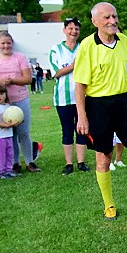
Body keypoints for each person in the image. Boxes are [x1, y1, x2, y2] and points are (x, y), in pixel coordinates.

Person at [73, 1, 127, 220]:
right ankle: (109, 205)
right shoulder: (86, 46)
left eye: (114, 16)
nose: (112, 21)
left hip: (125, 103)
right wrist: (82, 116)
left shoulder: (123, 41)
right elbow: (80, 85)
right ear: (95, 21)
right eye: (106, 18)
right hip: (98, 106)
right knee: (104, 157)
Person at [0, 31, 40, 173]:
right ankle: (15, 162)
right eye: (3, 43)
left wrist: (12, 80)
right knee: (10, 133)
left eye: (8, 43)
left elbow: (27, 79)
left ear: (12, 44)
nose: (6, 46)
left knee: (23, 132)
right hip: (3, 103)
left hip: (20, 98)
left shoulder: (20, 58)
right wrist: (1, 83)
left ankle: (29, 161)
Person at [48, 17, 90, 175]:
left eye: (77, 29)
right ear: (64, 30)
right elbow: (56, 73)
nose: (74, 31)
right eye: (71, 28)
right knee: (67, 130)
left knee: (82, 129)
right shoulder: (56, 50)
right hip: (63, 98)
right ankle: (69, 163)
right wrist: (74, 65)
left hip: (83, 97)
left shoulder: (84, 48)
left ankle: (81, 162)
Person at [0, 83, 20, 179]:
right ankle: (0, 172)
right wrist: (8, 125)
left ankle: (9, 169)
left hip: (8, 134)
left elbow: (13, 117)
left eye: (2, 94)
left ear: (6, 94)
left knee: (9, 152)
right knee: (0, 154)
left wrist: (15, 123)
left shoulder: (8, 106)